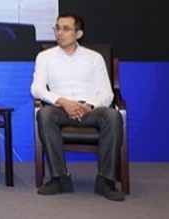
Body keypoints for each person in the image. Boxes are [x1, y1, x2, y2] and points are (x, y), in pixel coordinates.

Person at [31, 14, 125, 201]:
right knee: (44, 114)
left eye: (66, 29)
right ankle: (59, 178)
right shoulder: (45, 57)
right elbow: (37, 88)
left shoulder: (94, 58)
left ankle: (105, 180)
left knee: (113, 116)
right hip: (60, 109)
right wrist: (62, 101)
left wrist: (88, 106)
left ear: (78, 33)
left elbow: (107, 94)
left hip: (91, 110)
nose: (60, 33)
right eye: (57, 28)